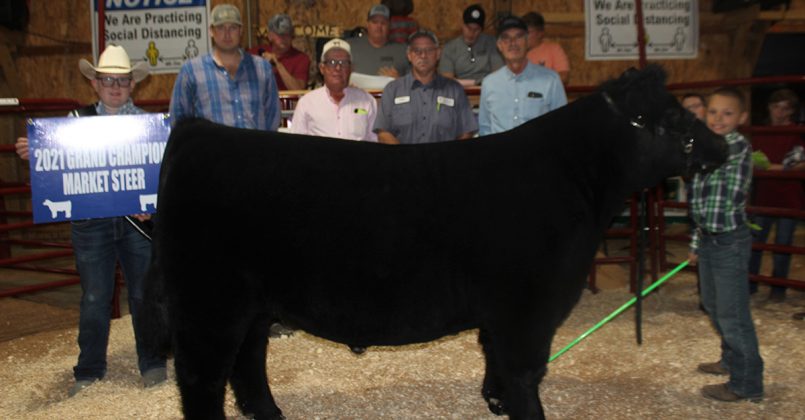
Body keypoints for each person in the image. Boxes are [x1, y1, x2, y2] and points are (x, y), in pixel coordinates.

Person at [15, 44, 167, 397]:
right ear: (95, 84)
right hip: (91, 223)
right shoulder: (74, 123)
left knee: (145, 294)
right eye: (108, 80)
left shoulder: (148, 127)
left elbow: (161, 176)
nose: (115, 87)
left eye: (122, 81)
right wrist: (34, 152)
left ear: (133, 85)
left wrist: (153, 205)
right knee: (96, 297)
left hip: (136, 222)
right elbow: (54, 164)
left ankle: (153, 361)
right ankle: (89, 368)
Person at [688, 87, 763, 403]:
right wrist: (695, 241)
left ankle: (747, 384)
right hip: (709, 240)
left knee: (733, 316)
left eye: (727, 113)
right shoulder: (709, 147)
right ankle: (730, 360)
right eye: (713, 111)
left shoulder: (736, 147)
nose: (719, 118)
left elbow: (721, 194)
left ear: (742, 118)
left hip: (729, 243)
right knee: (715, 307)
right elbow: (700, 202)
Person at [169, 4, 281, 130]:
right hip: (211, 149)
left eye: (233, 28)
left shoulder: (262, 69)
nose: (227, 34)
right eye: (221, 28)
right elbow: (179, 121)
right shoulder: (191, 71)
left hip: (254, 149)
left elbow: (273, 117)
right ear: (211, 31)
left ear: (241, 31)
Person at [748, 88, 804, 302]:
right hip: (763, 196)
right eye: (776, 106)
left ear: (791, 111)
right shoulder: (760, 132)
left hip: (788, 198)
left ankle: (778, 288)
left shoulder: (796, 132)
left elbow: (799, 165)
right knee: (756, 243)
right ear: (769, 108)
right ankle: (751, 284)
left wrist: (768, 168)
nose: (780, 112)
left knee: (782, 245)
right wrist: (780, 168)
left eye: (785, 108)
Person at [374, 29, 477, 144]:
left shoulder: (455, 90)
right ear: (409, 55)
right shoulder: (392, 90)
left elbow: (466, 132)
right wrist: (404, 156)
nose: (423, 55)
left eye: (429, 50)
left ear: (438, 54)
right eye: (417, 50)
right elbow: (383, 133)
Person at [478, 16, 567, 136]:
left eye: (518, 36)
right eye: (506, 38)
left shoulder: (551, 80)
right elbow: (485, 128)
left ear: (527, 42)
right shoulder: (489, 83)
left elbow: (561, 125)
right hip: (500, 153)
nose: (513, 43)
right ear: (499, 45)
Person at [290, 39, 378, 141]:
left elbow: (375, 142)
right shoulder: (307, 103)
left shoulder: (367, 102)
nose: (338, 68)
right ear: (322, 68)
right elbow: (297, 145)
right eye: (331, 62)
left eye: (344, 62)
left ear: (351, 68)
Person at [438, 4, 503, 87]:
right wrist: (475, 83)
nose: (472, 33)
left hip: (488, 89)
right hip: (460, 91)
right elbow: (447, 80)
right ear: (462, 25)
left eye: (476, 29)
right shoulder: (449, 48)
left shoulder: (491, 43)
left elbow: (499, 73)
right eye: (468, 28)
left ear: (482, 30)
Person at [248, 13, 310, 90]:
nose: (284, 38)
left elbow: (298, 90)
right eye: (280, 35)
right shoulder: (255, 53)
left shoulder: (301, 58)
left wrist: (277, 64)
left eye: (287, 34)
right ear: (270, 36)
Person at [348, 4, 409, 78]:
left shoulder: (402, 50)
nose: (379, 26)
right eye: (374, 22)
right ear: (367, 24)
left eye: (383, 23)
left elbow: (413, 83)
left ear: (390, 25)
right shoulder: (349, 46)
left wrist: (399, 80)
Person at [522, 11, 570, 85]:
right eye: (521, 32)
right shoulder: (516, 53)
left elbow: (564, 76)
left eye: (528, 32)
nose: (524, 36)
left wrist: (539, 83)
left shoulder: (553, 49)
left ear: (540, 33)